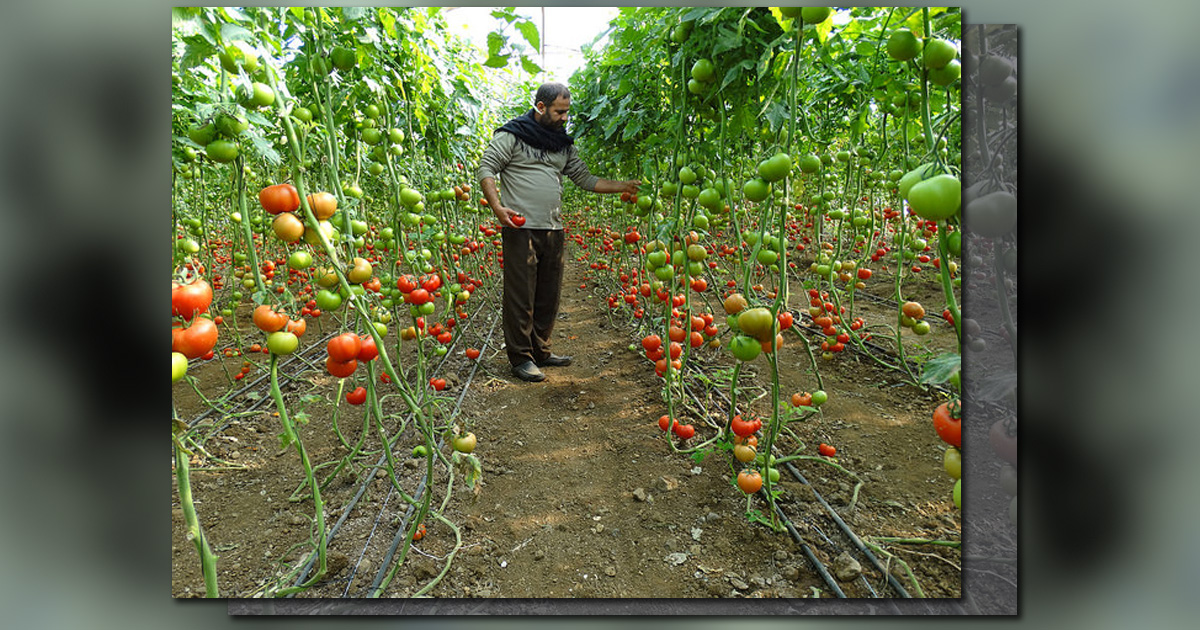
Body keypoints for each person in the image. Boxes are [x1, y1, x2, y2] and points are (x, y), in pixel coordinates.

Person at [477, 82, 640, 382]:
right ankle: (521, 358)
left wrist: (622, 186)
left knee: (548, 295)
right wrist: (498, 208)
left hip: (553, 228)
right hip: (520, 227)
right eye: (560, 111)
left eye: (567, 112)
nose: (565, 118)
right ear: (541, 108)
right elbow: (487, 168)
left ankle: (541, 350)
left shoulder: (561, 144)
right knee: (521, 295)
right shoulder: (511, 136)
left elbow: (585, 179)